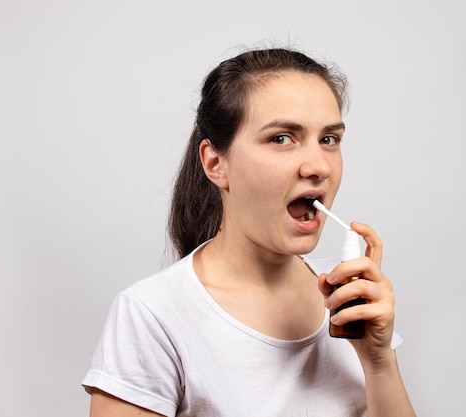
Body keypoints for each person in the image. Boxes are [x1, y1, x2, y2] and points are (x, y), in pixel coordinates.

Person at [82, 47, 417, 417]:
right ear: (215, 163)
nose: (319, 166)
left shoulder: (348, 301)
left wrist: (379, 360)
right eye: (281, 138)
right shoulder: (152, 315)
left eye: (328, 139)